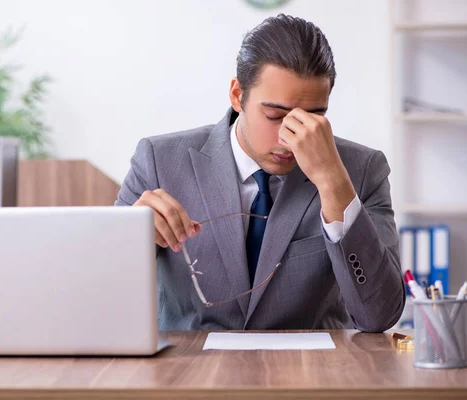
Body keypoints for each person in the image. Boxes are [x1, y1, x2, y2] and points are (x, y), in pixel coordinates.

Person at [115, 13, 405, 332]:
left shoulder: (362, 170)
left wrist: (333, 183)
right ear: (238, 95)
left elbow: (380, 316)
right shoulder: (158, 160)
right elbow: (104, 296)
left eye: (313, 117)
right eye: (274, 115)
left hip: (312, 373)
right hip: (189, 372)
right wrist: (131, 240)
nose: (290, 137)